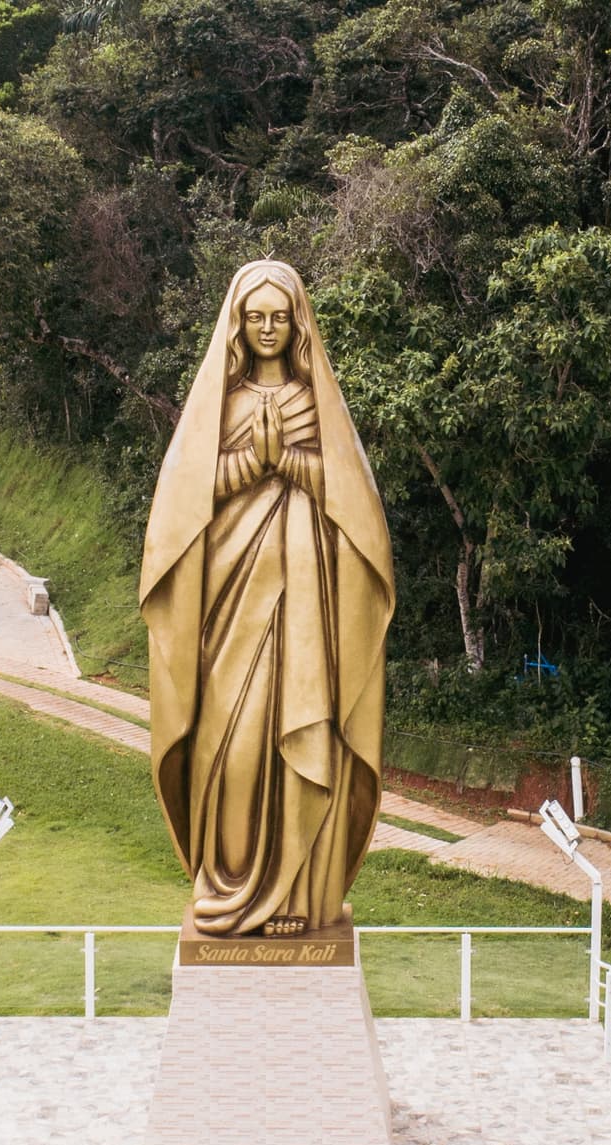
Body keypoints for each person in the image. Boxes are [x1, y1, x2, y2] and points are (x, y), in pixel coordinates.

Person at [139, 260, 395, 937]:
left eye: (280, 315)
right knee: (232, 740)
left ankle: (294, 897)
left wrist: (291, 463)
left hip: (308, 601)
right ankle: (229, 879)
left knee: (305, 731)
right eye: (256, 316)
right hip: (231, 596)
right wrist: (253, 463)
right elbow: (183, 504)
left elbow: (356, 506)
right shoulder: (218, 406)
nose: (269, 327)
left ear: (298, 320)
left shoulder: (319, 402)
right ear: (238, 324)